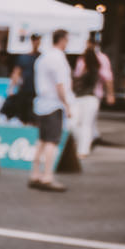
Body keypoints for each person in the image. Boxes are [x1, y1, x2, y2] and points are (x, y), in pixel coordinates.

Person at [28, 28, 72, 192]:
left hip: (42, 103)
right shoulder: (57, 58)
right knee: (51, 142)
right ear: (62, 40)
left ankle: (35, 174)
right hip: (53, 104)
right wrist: (67, 104)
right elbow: (60, 84)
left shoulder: (43, 57)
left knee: (41, 140)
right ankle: (47, 176)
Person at [65, 34, 112, 168]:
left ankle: (83, 149)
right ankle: (81, 145)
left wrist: (110, 94)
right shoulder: (81, 60)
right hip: (79, 96)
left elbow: (108, 77)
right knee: (74, 123)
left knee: (86, 124)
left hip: (91, 96)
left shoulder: (100, 60)